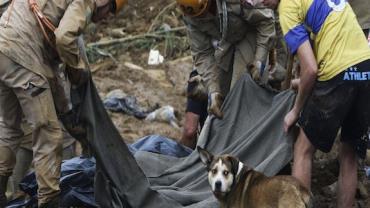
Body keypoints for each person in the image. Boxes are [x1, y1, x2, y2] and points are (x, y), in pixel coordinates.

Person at [0, 0, 128, 207]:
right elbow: (64, 38)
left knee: (9, 127)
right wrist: (78, 70)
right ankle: (49, 201)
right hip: (23, 54)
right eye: (110, 10)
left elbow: (52, 73)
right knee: (48, 133)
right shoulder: (85, 2)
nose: (107, 17)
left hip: (4, 48)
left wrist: (67, 112)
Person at [262, 0, 370, 207]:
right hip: (366, 69)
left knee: (302, 150)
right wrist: (299, 82)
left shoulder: (286, 7)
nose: (258, 2)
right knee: (348, 155)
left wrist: (295, 110)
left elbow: (311, 70)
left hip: (338, 72)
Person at [176, 0, 278, 118]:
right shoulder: (191, 15)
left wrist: (259, 60)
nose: (203, 18)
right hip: (228, 41)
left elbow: (265, 21)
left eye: (204, 13)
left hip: (253, 32)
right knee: (220, 99)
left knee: (239, 94)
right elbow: (202, 53)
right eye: (198, 16)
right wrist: (213, 90)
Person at [180, 70, 208, 149]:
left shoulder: (198, 77)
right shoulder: (241, 77)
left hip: (212, 152)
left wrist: (183, 159)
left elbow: (190, 130)